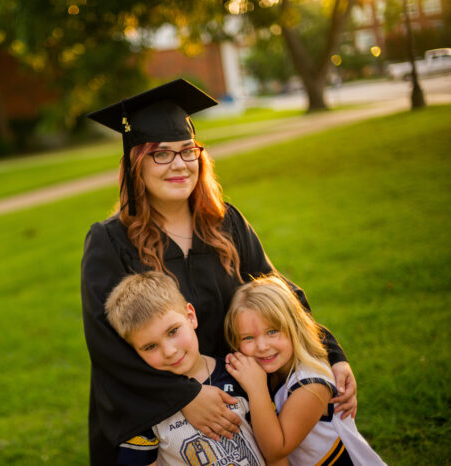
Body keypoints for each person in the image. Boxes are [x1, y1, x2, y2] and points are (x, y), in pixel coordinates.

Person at [81, 79, 357, 464]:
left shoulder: (225, 223)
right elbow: (105, 344)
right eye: (161, 154)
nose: (179, 164)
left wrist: (332, 354)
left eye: (186, 151)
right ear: (135, 165)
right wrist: (185, 398)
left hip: (240, 405)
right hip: (162, 423)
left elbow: (276, 295)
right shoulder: (111, 242)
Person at [104, 271, 270, 466]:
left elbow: (274, 450)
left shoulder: (238, 373)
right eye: (150, 347)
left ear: (190, 316)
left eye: (173, 331)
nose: (169, 351)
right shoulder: (144, 407)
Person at [224, 275, 386, 465]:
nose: (262, 346)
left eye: (272, 332)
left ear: (295, 327)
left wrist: (256, 387)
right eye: (248, 338)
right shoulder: (272, 373)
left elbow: (276, 449)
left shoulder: (312, 383)